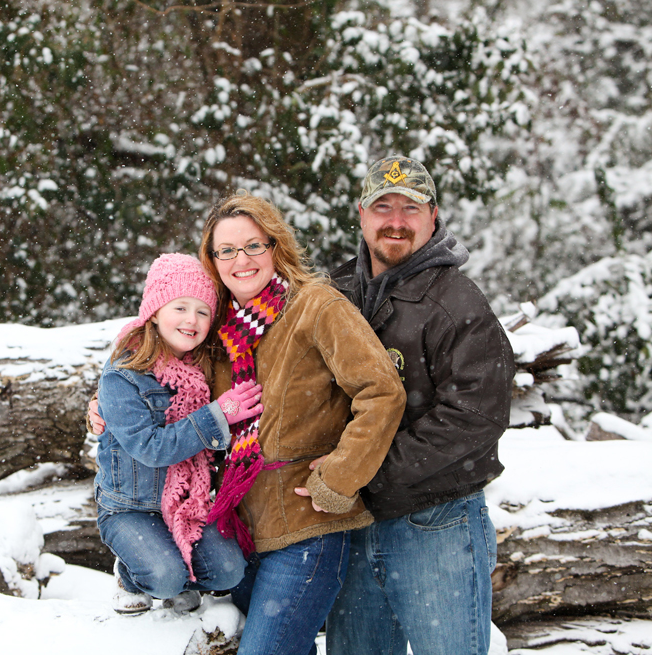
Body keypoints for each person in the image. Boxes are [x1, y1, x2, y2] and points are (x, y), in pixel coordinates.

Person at [195, 192, 405, 655]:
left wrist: (340, 476)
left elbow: (381, 390)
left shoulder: (316, 306)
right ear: (211, 260)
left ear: (276, 246)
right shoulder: (216, 328)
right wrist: (106, 399)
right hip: (241, 532)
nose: (241, 260)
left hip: (307, 528)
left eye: (254, 245)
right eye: (226, 250)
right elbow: (164, 373)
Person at [322, 155, 515, 655]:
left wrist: (364, 471)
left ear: (434, 217)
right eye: (382, 206)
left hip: (435, 523)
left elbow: (476, 415)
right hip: (351, 522)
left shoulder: (458, 304)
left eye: (411, 207)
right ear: (360, 215)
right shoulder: (334, 295)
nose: (396, 221)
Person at [94, 253, 261, 616]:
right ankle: (132, 576)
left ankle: (182, 578)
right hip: (130, 509)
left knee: (229, 570)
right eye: (180, 307)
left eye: (203, 311)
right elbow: (150, 448)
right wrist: (219, 415)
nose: (192, 320)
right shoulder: (123, 374)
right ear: (154, 311)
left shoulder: (201, 366)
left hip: (187, 502)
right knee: (164, 576)